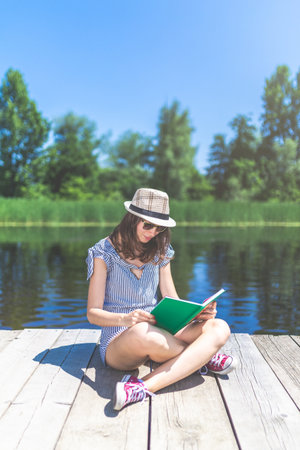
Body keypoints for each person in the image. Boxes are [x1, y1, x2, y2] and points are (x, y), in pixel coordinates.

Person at [86, 188, 237, 410]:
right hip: (119, 339)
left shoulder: (161, 251)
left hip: (160, 327)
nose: (153, 232)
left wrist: (196, 314)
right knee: (143, 333)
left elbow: (171, 298)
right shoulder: (102, 253)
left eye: (160, 227)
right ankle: (202, 357)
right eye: (148, 225)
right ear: (132, 219)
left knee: (219, 326)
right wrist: (126, 319)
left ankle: (141, 387)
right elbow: (92, 314)